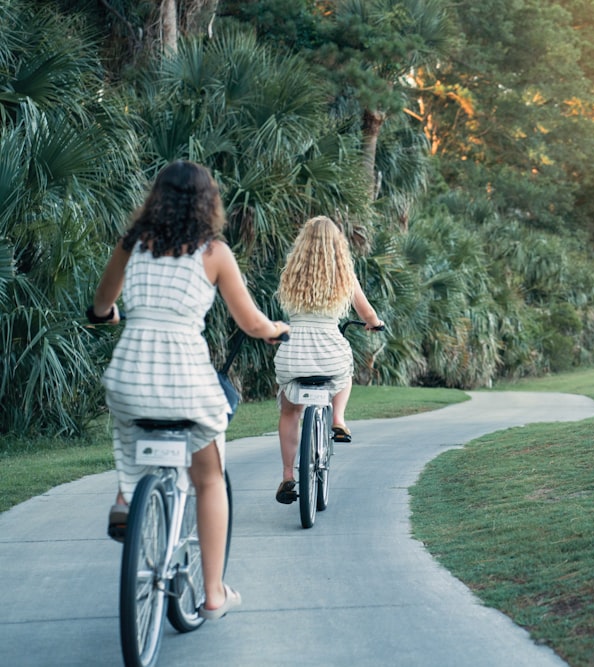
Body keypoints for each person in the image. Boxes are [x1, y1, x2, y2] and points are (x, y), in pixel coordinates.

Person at [89, 160, 290, 619]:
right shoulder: (214, 252)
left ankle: (126, 497)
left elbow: (101, 305)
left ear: (155, 197)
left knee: (131, 423)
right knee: (209, 476)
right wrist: (275, 328)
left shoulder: (133, 244)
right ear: (208, 203)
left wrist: (111, 316)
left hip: (130, 374)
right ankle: (214, 591)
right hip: (185, 376)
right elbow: (250, 321)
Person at [272, 214, 383, 504]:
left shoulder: (291, 273)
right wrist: (374, 323)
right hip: (329, 350)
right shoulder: (344, 274)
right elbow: (367, 314)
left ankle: (287, 475)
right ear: (337, 245)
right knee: (345, 372)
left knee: (289, 409)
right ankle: (338, 418)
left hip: (293, 350)